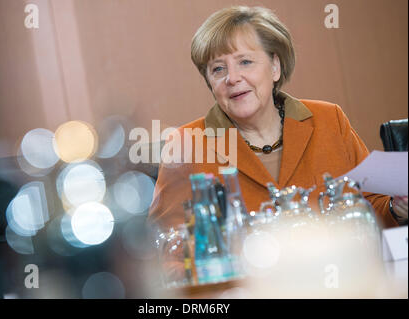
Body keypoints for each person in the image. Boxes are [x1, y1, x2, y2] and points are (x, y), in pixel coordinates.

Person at [148, 6, 407, 234]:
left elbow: (372, 205)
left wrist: (398, 208)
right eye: (218, 68)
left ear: (275, 66)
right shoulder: (185, 145)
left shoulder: (329, 120)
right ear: (209, 82)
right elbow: (167, 246)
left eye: (245, 62)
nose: (232, 78)